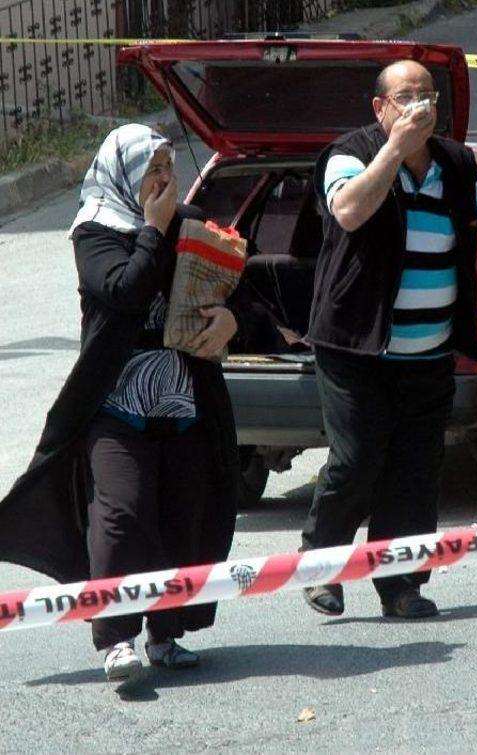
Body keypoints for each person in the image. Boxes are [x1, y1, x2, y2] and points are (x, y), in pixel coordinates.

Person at [301, 60, 477, 619]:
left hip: (427, 354)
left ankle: (402, 585)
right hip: (357, 349)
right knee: (355, 461)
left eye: (427, 95)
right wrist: (394, 150)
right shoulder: (349, 154)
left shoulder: (455, 162)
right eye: (406, 97)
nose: (420, 105)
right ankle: (321, 568)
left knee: (415, 470)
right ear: (381, 108)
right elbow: (350, 212)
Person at [0, 124, 242, 681]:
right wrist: (153, 232)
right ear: (124, 175)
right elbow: (124, 292)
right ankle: (116, 638)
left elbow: (239, 286)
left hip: (183, 405)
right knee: (121, 513)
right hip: (114, 407)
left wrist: (233, 319)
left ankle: (165, 633)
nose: (163, 179)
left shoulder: (187, 224)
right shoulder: (96, 233)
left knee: (184, 516)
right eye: (151, 169)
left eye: (168, 168)